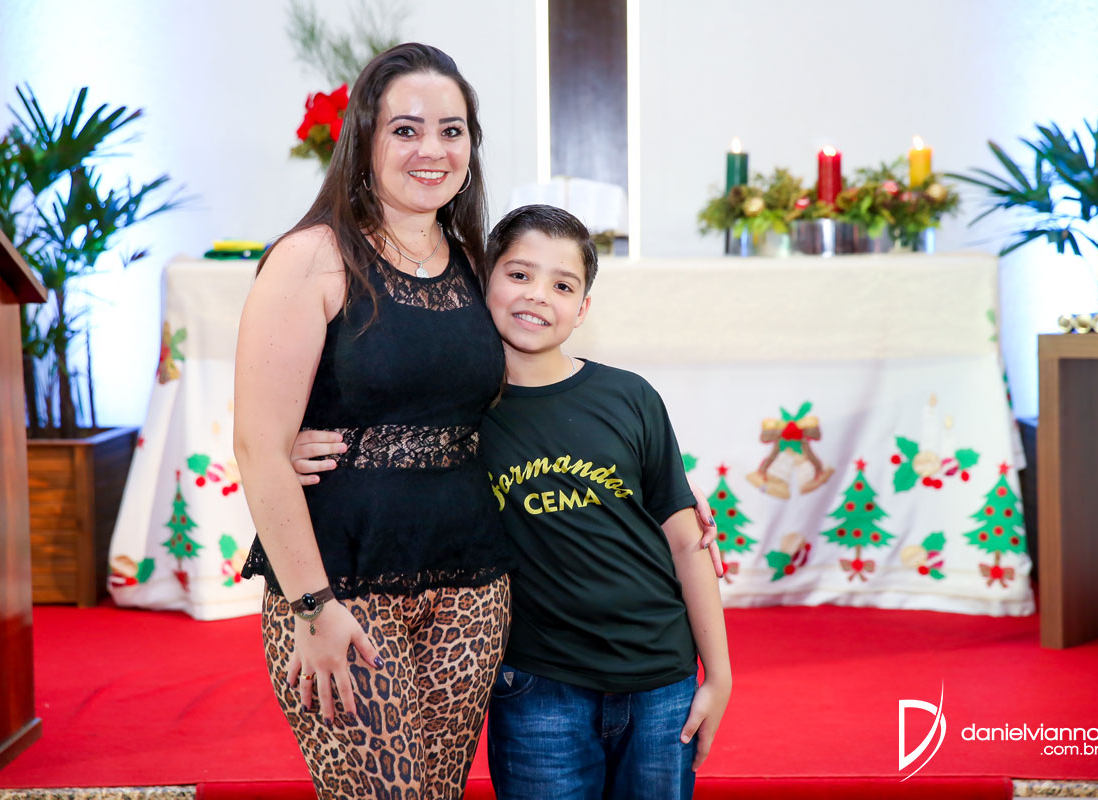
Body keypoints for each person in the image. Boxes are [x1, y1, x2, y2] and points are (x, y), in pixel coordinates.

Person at [295, 205, 731, 799]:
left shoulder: (631, 397)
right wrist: (297, 445)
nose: (538, 296)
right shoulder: (459, 417)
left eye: (563, 285)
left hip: (662, 679)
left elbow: (685, 539)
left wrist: (719, 674)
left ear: (584, 308)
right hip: (537, 687)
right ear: (482, 283)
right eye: (520, 274)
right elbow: (382, 441)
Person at [234, 43, 517, 799]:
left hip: (470, 589)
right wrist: (312, 606)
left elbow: (524, 401)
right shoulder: (311, 258)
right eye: (406, 130)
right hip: (341, 586)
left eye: (452, 130)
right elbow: (258, 447)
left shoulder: (476, 263)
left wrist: (654, 482)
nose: (432, 150)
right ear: (364, 138)